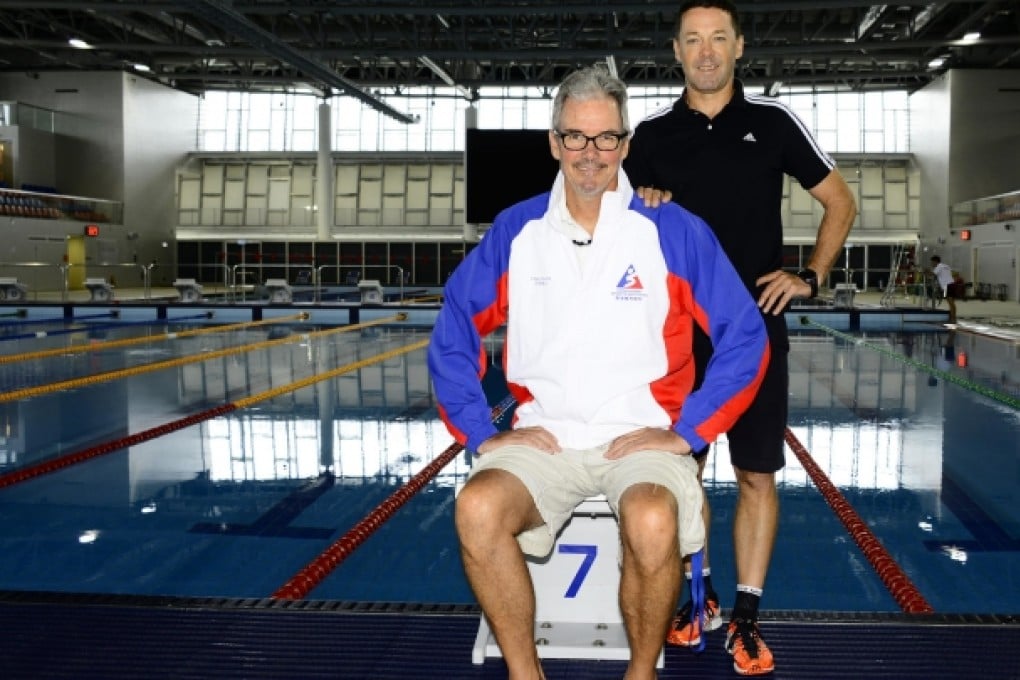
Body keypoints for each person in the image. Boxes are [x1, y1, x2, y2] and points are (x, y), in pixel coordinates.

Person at [428, 65, 770, 680]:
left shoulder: (670, 230)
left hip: (640, 437)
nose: (592, 155)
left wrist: (688, 432)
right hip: (546, 437)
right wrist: (482, 433)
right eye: (577, 138)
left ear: (626, 144)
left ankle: (640, 674)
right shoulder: (517, 231)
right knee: (476, 508)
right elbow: (455, 322)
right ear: (555, 142)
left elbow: (744, 334)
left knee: (653, 516)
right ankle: (525, 674)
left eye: (606, 138)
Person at [623, 0, 857, 675]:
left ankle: (746, 617)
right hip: (678, 336)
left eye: (717, 38)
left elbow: (839, 200)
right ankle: (696, 597)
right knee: (679, 469)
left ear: (739, 46)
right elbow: (618, 229)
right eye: (692, 40)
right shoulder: (652, 135)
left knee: (756, 473)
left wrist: (809, 275)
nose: (705, 52)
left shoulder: (772, 124)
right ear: (675, 51)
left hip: (754, 328)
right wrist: (647, 209)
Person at [930, 255, 957, 323]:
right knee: (951, 302)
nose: (931, 264)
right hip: (951, 284)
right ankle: (952, 317)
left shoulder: (939, 267)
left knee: (950, 303)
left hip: (947, 286)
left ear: (935, 261)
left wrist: (924, 271)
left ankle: (953, 318)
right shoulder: (945, 266)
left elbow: (932, 274)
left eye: (932, 262)